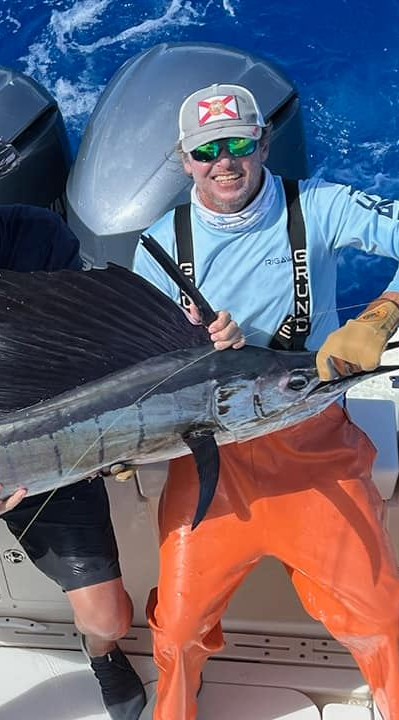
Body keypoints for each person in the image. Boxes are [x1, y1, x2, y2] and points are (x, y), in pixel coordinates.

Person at [0, 124, 238, 720]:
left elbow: (89, 337)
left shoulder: (42, 237)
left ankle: (105, 655)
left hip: (56, 458)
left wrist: (180, 343)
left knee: (110, 616)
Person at [133, 83, 399, 720]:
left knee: (383, 619)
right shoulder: (159, 244)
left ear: (263, 142)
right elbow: (144, 369)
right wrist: (199, 350)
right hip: (211, 465)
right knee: (174, 630)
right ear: (184, 159)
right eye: (206, 151)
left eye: (238, 144)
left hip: (315, 453)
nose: (224, 162)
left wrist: (380, 316)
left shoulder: (321, 206)